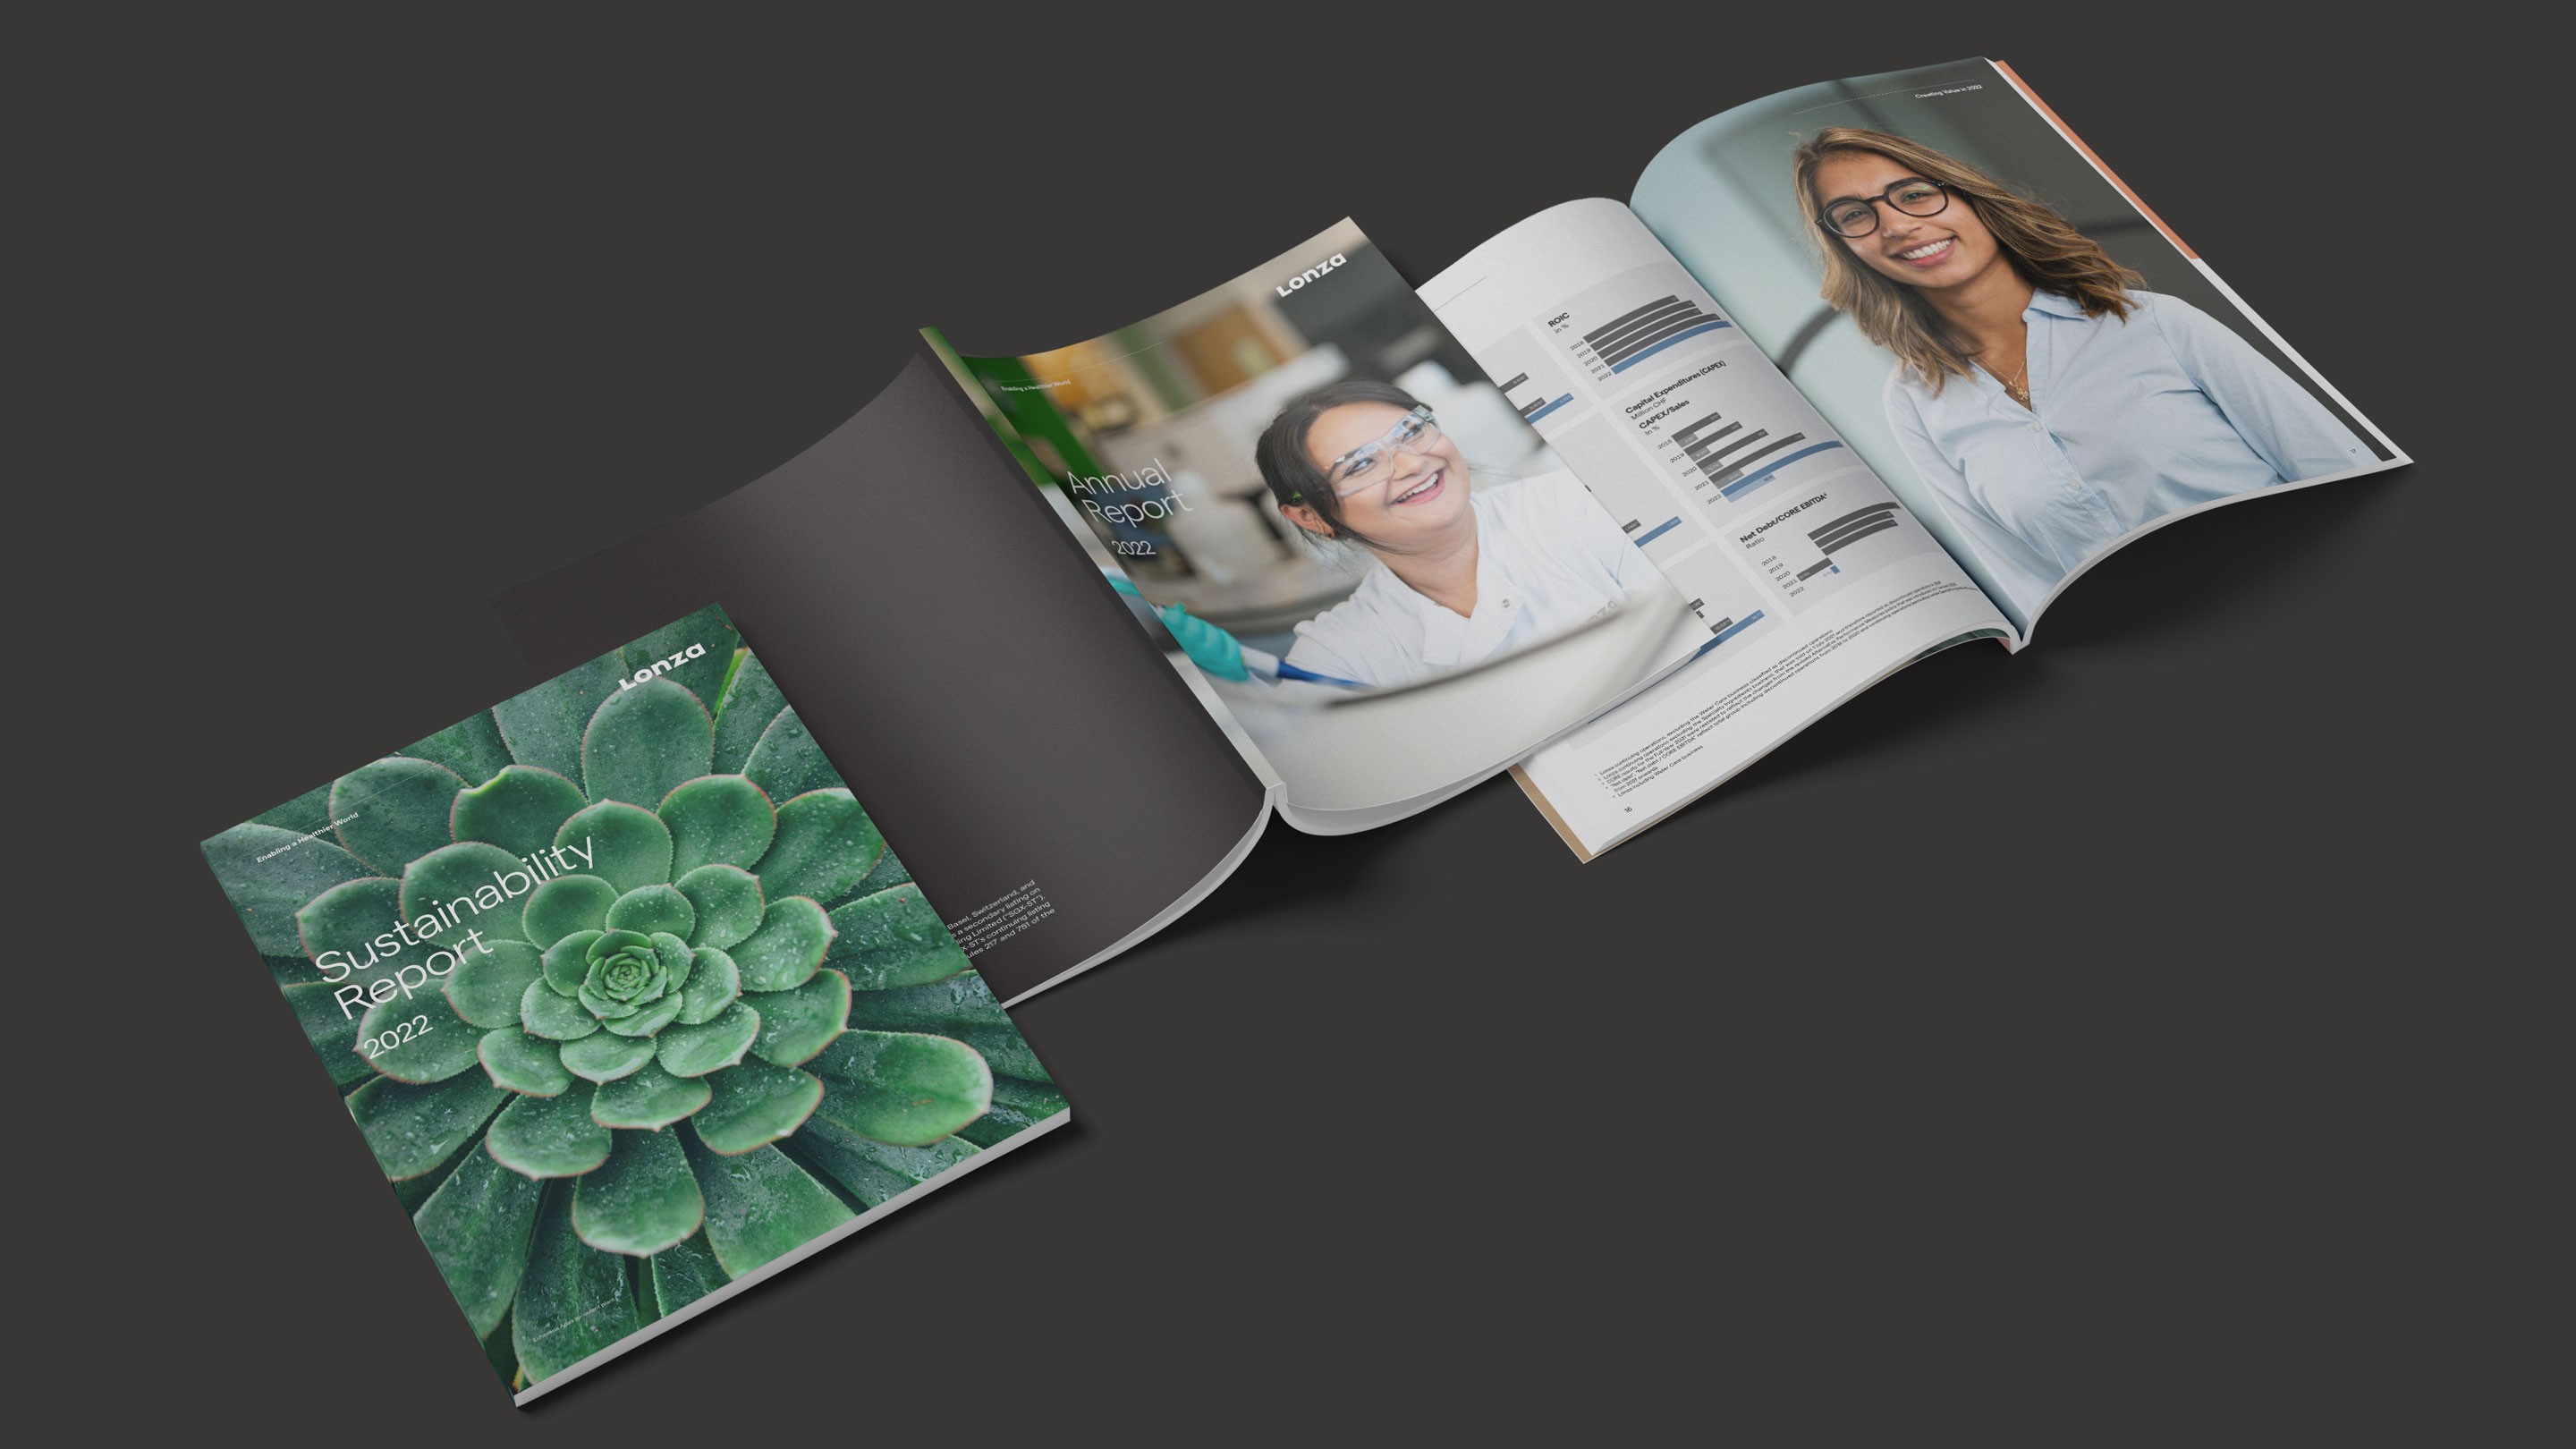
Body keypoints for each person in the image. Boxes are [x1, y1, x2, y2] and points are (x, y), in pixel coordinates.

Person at [1792, 126, 2374, 617]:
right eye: (1853, 215)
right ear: (1845, 248)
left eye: (1914, 194)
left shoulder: (2154, 323)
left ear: (1970, 197)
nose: (1895, 226)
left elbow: (2339, 473)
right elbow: (2027, 584)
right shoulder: (1913, 402)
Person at [1254, 380, 1661, 690]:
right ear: (1310, 517)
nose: (1413, 463)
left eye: (1411, 430)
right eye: (1360, 465)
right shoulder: (1340, 655)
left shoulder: (1577, 504)